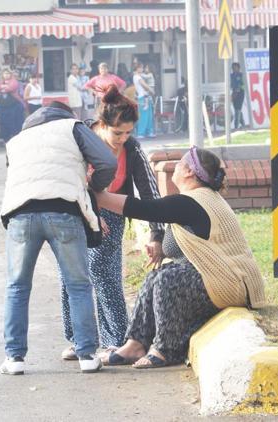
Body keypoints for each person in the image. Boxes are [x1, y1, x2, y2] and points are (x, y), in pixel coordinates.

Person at [93, 146, 265, 368]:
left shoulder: (192, 201)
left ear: (189, 172)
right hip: (223, 279)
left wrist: (99, 196)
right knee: (156, 277)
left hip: (231, 284)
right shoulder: (197, 199)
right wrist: (160, 247)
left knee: (168, 280)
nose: (175, 167)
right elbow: (188, 240)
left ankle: (166, 349)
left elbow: (144, 209)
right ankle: (134, 344)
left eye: (180, 163)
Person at [0, 101, 118, 375]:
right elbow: (108, 161)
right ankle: (87, 355)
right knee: (78, 285)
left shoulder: (16, 139)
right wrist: (93, 188)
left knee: (17, 287)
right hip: (63, 210)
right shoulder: (73, 127)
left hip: (20, 214)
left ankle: (14, 359)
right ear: (67, 115)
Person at [59, 85, 164, 360]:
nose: (122, 139)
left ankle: (116, 340)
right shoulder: (80, 138)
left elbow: (148, 188)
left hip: (114, 212)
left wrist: (157, 233)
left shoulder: (131, 148)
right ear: (102, 125)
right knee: (70, 273)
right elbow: (67, 178)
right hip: (75, 209)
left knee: (104, 272)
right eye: (117, 132)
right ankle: (79, 339)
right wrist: (90, 212)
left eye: (128, 133)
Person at [0, 69, 25, 142]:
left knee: (14, 123)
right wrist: (3, 87)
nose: (6, 75)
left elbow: (11, 88)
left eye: (8, 73)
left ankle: (15, 139)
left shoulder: (14, 81)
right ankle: (6, 139)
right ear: (2, 75)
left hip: (13, 106)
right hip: (2, 107)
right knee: (3, 123)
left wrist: (2, 88)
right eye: (5, 73)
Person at [132, 63, 155, 139]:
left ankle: (149, 132)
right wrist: (151, 90)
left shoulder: (138, 76)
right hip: (143, 97)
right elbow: (144, 85)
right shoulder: (137, 76)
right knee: (144, 116)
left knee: (148, 115)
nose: (142, 69)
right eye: (141, 68)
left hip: (145, 97)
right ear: (137, 68)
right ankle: (141, 132)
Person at [230, 62, 246, 129]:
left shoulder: (241, 75)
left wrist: (239, 88)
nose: (234, 69)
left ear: (239, 68)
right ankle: (243, 123)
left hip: (240, 93)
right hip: (234, 93)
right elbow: (230, 85)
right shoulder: (231, 75)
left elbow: (243, 84)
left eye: (236, 67)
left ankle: (236, 126)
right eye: (233, 67)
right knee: (236, 108)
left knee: (238, 109)